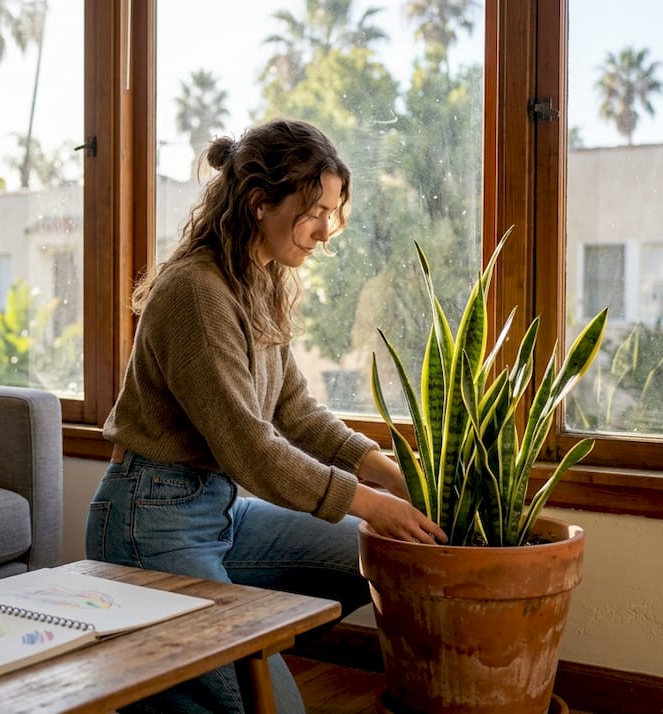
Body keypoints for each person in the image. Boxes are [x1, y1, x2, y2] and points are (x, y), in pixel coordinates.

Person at [85, 117, 447, 713]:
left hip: (219, 513)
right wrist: (371, 503)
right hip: (149, 524)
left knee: (378, 562)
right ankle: (162, 676)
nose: (325, 232)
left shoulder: (258, 281)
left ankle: (189, 672)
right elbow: (251, 448)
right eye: (314, 212)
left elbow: (295, 410)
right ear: (260, 203)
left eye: (331, 212)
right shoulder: (198, 291)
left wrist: (393, 476)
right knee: (277, 709)